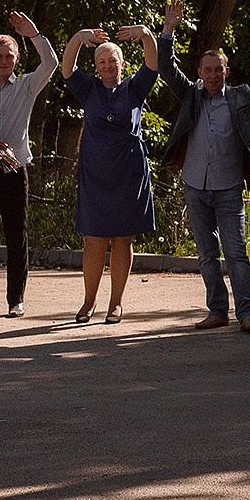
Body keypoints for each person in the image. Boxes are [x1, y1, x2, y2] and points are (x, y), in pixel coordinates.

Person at [154, 1, 250, 333]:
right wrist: (167, 30)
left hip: (228, 189)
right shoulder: (190, 95)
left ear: (227, 71)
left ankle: (247, 313)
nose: (213, 76)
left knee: (236, 252)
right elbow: (166, 67)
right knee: (207, 255)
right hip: (195, 187)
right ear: (199, 73)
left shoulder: (241, 97)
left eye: (218, 70)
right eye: (207, 70)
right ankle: (217, 311)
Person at [60, 24, 159, 324]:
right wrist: (78, 38)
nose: (107, 65)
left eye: (112, 60)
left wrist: (145, 34)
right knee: (94, 239)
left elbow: (152, 63)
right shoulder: (88, 88)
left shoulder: (134, 88)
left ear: (122, 63)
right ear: (96, 66)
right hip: (95, 174)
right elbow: (67, 69)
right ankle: (88, 302)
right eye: (101, 61)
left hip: (128, 172)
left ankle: (115, 304)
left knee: (122, 239)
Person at [0, 12, 59, 318]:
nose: (4, 61)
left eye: (9, 56)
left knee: (17, 237)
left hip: (15, 172)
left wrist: (34, 34)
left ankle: (15, 300)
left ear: (17, 58)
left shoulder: (27, 86)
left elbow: (51, 63)